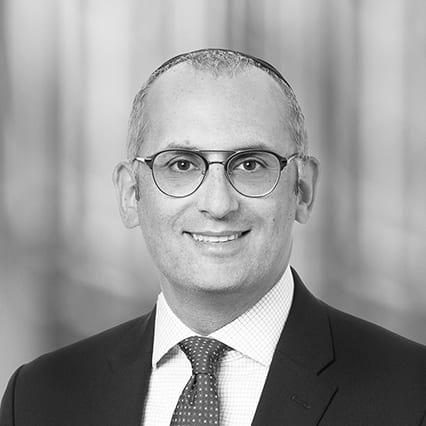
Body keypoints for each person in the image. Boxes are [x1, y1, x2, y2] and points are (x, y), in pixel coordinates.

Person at [1, 48, 425, 426]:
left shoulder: (413, 393)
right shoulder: (37, 398)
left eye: (251, 164)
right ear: (131, 194)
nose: (219, 204)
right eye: (182, 165)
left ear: (303, 189)